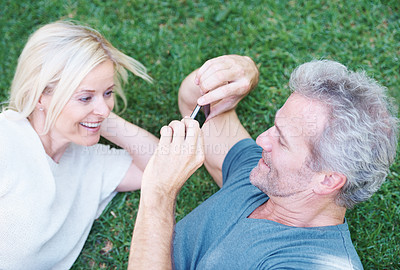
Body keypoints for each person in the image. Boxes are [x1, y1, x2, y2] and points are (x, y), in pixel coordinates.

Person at [127, 55, 398, 269]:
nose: (261, 140)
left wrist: (159, 194)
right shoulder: (261, 175)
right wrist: (244, 69)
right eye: (274, 126)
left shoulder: (308, 263)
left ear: (327, 179)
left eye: (282, 140)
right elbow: (195, 106)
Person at [0, 20, 162, 269]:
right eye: (85, 97)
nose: (105, 107)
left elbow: (161, 169)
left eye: (108, 93)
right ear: (41, 95)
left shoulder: (89, 160)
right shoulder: (7, 139)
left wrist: (96, 115)